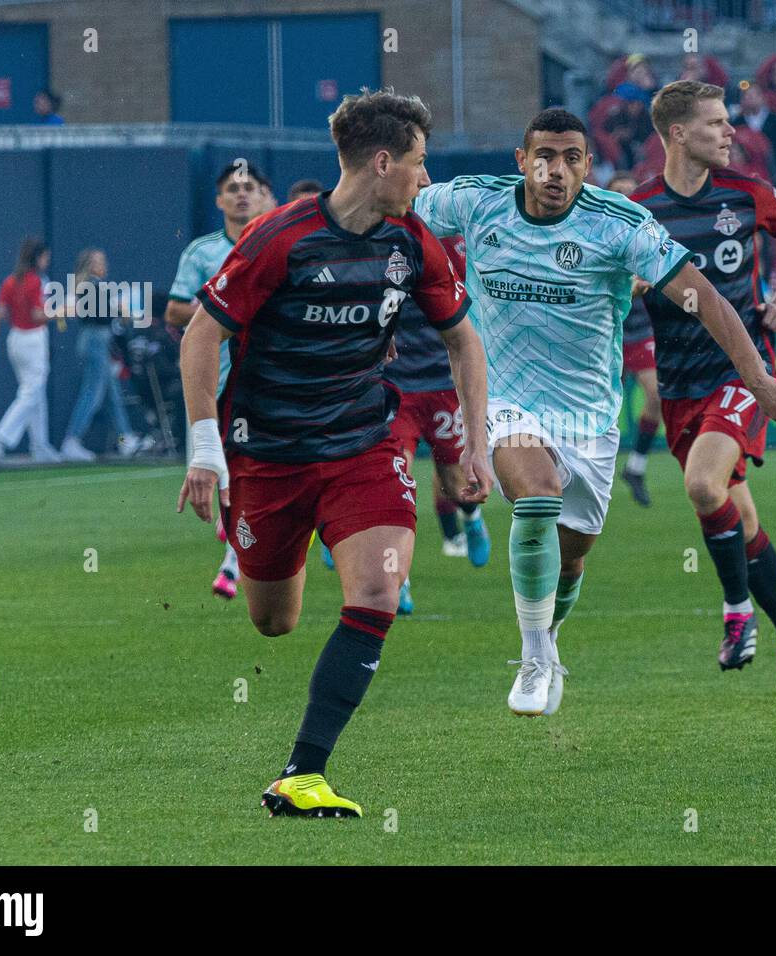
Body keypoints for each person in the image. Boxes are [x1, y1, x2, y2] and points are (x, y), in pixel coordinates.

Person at [415, 107, 776, 716]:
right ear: (521, 161)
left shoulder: (621, 224)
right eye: (543, 156)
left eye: (571, 158)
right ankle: (529, 655)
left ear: (588, 166)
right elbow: (393, 208)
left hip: (588, 419)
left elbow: (703, 298)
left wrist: (758, 377)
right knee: (536, 492)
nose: (556, 170)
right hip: (506, 399)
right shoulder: (473, 201)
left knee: (572, 559)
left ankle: (548, 638)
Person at [177, 89, 490, 818]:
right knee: (274, 621)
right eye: (417, 162)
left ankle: (303, 772)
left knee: (379, 591)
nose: (425, 177)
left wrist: (476, 443)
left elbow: (462, 339)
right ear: (381, 162)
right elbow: (202, 334)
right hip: (268, 457)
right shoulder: (278, 239)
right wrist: (204, 450)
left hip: (362, 443)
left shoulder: (412, 241)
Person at [629, 80, 776, 689]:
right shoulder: (638, 212)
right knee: (736, 517)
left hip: (744, 374)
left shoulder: (746, 193)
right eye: (716, 123)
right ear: (678, 133)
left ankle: (737, 612)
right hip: (680, 384)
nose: (731, 132)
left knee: (702, 484)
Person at [340, 232, 491, 610]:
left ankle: (471, 518)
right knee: (395, 486)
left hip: (443, 383)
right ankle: (398, 580)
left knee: (457, 483)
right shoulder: (381, 248)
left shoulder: (455, 248)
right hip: (398, 387)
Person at [165, 161, 264, 601]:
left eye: (248, 187)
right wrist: (225, 312)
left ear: (262, 194)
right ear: (219, 200)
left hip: (264, 380)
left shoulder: (273, 244)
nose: (241, 194)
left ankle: (234, 563)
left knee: (252, 474)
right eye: (232, 189)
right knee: (218, 474)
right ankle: (237, 542)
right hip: (212, 380)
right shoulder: (202, 253)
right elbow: (174, 310)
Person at [606, 171, 662, 507]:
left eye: (632, 192)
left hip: (641, 330)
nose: (627, 198)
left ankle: (636, 467)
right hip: (606, 330)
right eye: (619, 192)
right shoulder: (594, 232)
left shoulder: (651, 235)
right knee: (600, 408)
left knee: (655, 394)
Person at [59, 248, 145, 461]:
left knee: (113, 395)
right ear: (89, 265)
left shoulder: (94, 285)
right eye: (98, 261)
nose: (103, 264)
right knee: (93, 393)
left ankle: (125, 440)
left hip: (99, 340)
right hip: (95, 340)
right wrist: (122, 311)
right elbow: (102, 313)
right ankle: (71, 441)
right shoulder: (90, 285)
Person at [0, 237, 61, 463]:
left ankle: (40, 446)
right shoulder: (36, 281)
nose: (47, 261)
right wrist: (62, 311)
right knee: (30, 393)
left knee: (35, 393)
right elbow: (38, 315)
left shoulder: (10, 281)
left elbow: (2, 312)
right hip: (33, 338)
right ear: (38, 258)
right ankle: (0, 436)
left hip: (16, 338)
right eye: (45, 257)